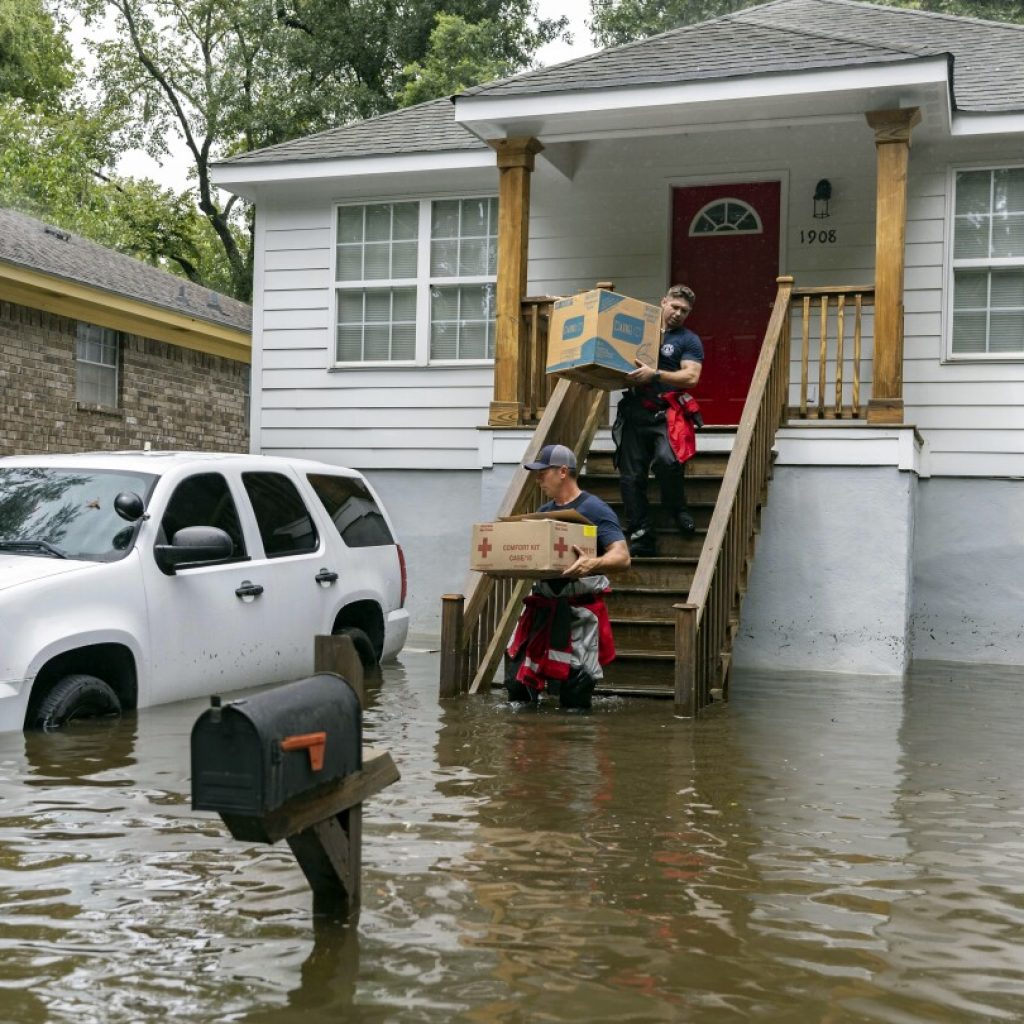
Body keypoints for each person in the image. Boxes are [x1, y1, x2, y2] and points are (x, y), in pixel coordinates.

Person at [504, 443, 631, 710]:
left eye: (543, 472)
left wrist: (591, 564)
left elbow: (622, 556)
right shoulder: (544, 514)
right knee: (517, 684)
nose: (538, 479)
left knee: (575, 694)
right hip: (542, 608)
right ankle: (523, 747)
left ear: (563, 472)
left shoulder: (595, 509)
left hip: (579, 611)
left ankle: (573, 740)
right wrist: (506, 566)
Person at [613, 283, 704, 558]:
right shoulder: (637, 330)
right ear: (663, 302)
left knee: (668, 461)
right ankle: (641, 532)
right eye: (674, 307)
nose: (678, 313)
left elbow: (691, 377)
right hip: (634, 411)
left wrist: (656, 375)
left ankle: (677, 508)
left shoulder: (689, 340)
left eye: (684, 311)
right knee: (630, 476)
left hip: (667, 413)